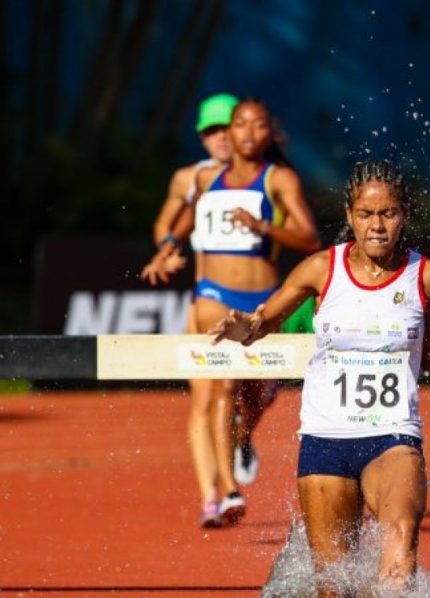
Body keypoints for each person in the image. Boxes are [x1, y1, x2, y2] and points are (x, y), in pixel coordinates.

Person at [211, 159, 430, 594]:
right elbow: (262, 323)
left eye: (388, 213)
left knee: (400, 546)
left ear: (404, 216)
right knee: (333, 586)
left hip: (393, 437)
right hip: (325, 441)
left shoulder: (426, 276)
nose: (377, 225)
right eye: (366, 214)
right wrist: (241, 328)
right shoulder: (321, 269)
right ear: (349, 217)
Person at [143, 98, 321, 527]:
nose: (241, 134)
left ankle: (243, 437)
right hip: (213, 294)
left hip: (261, 300)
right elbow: (181, 225)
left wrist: (262, 226)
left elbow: (309, 237)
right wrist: (165, 253)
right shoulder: (204, 178)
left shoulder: (278, 178)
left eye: (254, 126)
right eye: (236, 126)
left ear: (267, 133)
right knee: (222, 387)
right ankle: (225, 490)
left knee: (254, 395)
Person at [148, 93, 237, 527]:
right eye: (211, 131)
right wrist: (167, 251)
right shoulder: (191, 177)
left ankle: (241, 443)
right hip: (203, 301)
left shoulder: (264, 176)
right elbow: (167, 223)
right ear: (202, 138)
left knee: (244, 394)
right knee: (204, 397)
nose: (221, 138)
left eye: (227, 128)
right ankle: (212, 497)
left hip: (250, 305)